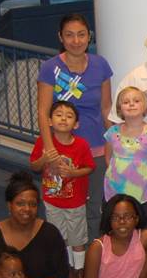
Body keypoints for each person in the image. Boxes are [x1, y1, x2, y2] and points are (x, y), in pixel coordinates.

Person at [36, 13, 113, 241]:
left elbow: (106, 107)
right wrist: (50, 152)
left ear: (89, 37)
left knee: (94, 206)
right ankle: (64, 258)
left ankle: (91, 256)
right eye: (69, 35)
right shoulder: (50, 68)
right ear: (61, 37)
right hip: (62, 149)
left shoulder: (101, 65)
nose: (76, 40)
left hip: (97, 147)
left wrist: (113, 143)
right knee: (62, 206)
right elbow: (43, 111)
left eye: (81, 35)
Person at [29, 100, 94, 278]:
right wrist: (44, 158)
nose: (63, 119)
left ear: (76, 124)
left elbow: (90, 167)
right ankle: (66, 267)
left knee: (77, 238)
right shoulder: (43, 142)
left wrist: (74, 173)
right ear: (49, 121)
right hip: (52, 200)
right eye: (58, 114)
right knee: (59, 236)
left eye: (69, 116)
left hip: (75, 202)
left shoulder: (81, 145)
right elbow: (33, 166)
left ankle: (79, 271)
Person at [104, 86, 147, 222]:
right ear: (119, 108)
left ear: (145, 106)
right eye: (126, 102)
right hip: (114, 191)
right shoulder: (112, 132)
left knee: (143, 230)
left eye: (136, 101)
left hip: (142, 193)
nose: (131, 104)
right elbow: (108, 159)